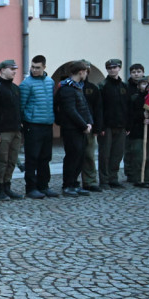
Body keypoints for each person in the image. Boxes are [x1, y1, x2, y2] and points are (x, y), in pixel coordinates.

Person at [21, 54, 58, 199]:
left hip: (47, 124)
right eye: (33, 67)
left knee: (45, 157)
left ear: (44, 67)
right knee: (32, 158)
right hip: (33, 125)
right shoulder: (26, 84)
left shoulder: (50, 82)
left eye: (38, 67)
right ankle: (31, 188)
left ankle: (44, 186)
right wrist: (25, 123)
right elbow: (21, 105)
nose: (34, 70)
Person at [55, 60, 94, 197]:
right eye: (85, 72)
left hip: (81, 128)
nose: (86, 74)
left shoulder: (78, 86)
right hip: (71, 128)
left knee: (80, 156)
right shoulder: (66, 88)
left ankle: (74, 184)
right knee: (72, 157)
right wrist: (84, 125)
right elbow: (71, 111)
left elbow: (84, 107)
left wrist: (89, 123)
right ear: (81, 72)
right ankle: (67, 185)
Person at [0, 60, 23, 201]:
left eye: (15, 69)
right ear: (2, 70)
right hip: (3, 132)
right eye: (11, 69)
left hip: (15, 130)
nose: (14, 71)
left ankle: (7, 187)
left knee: (12, 160)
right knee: (1, 161)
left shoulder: (15, 88)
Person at [127, 77, 149, 187]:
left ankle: (148, 178)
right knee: (138, 156)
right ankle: (138, 178)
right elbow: (129, 114)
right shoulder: (134, 98)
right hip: (137, 131)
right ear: (138, 86)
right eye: (142, 84)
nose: (145, 86)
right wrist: (141, 116)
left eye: (147, 84)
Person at [98, 59, 129, 189]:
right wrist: (101, 126)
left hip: (121, 125)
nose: (112, 69)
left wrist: (128, 125)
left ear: (119, 68)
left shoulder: (124, 86)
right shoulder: (102, 86)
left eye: (114, 67)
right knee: (105, 154)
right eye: (109, 68)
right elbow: (99, 108)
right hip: (107, 126)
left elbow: (128, 107)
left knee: (117, 154)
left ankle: (113, 178)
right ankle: (104, 180)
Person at [81, 66, 104, 192]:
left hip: (90, 127)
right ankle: (71, 182)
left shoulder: (93, 88)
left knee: (89, 155)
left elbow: (98, 109)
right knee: (74, 156)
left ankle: (90, 181)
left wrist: (97, 128)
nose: (82, 73)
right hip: (74, 127)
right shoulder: (69, 86)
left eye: (85, 71)